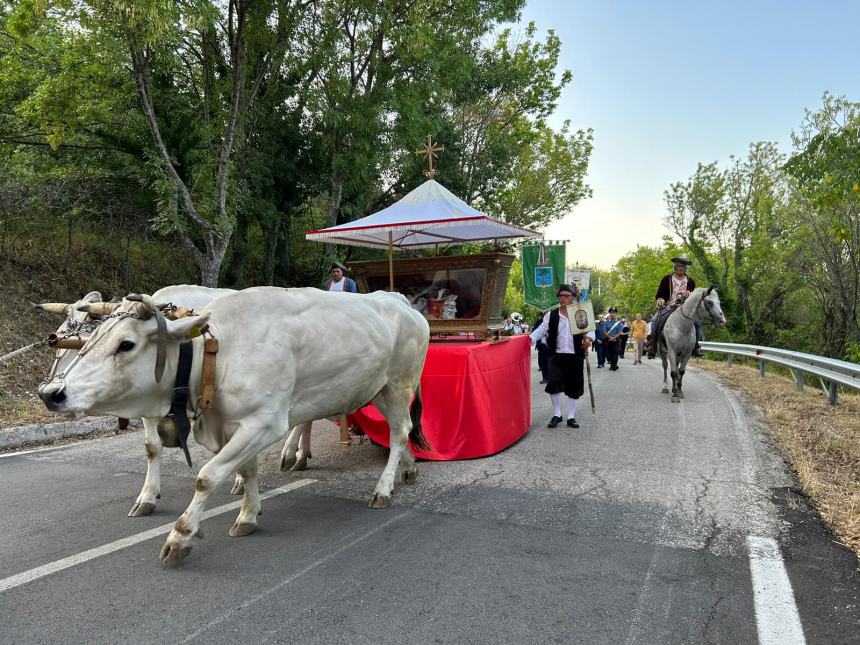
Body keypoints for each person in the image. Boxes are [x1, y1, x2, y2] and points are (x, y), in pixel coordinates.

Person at [530, 284, 593, 428]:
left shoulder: (580, 313)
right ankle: (557, 414)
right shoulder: (551, 315)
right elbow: (540, 330)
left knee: (574, 386)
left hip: (575, 355)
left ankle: (571, 417)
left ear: (573, 297)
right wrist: (528, 340)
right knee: (553, 384)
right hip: (556, 355)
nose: (563, 298)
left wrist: (588, 339)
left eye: (566, 296)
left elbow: (590, 331)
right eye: (561, 296)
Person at [646, 257, 701, 358]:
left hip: (685, 309)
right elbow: (660, 295)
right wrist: (660, 300)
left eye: (683, 266)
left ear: (685, 268)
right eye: (679, 266)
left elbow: (694, 298)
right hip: (669, 306)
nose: (680, 268)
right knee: (655, 320)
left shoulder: (691, 282)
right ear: (675, 267)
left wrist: (689, 294)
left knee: (697, 323)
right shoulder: (666, 279)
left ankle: (695, 346)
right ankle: (652, 345)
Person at [533, 311, 550, 384]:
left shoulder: (554, 319)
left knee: (552, 362)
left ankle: (552, 377)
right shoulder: (539, 321)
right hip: (542, 345)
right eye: (545, 314)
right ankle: (545, 378)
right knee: (543, 362)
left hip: (551, 345)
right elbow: (534, 331)